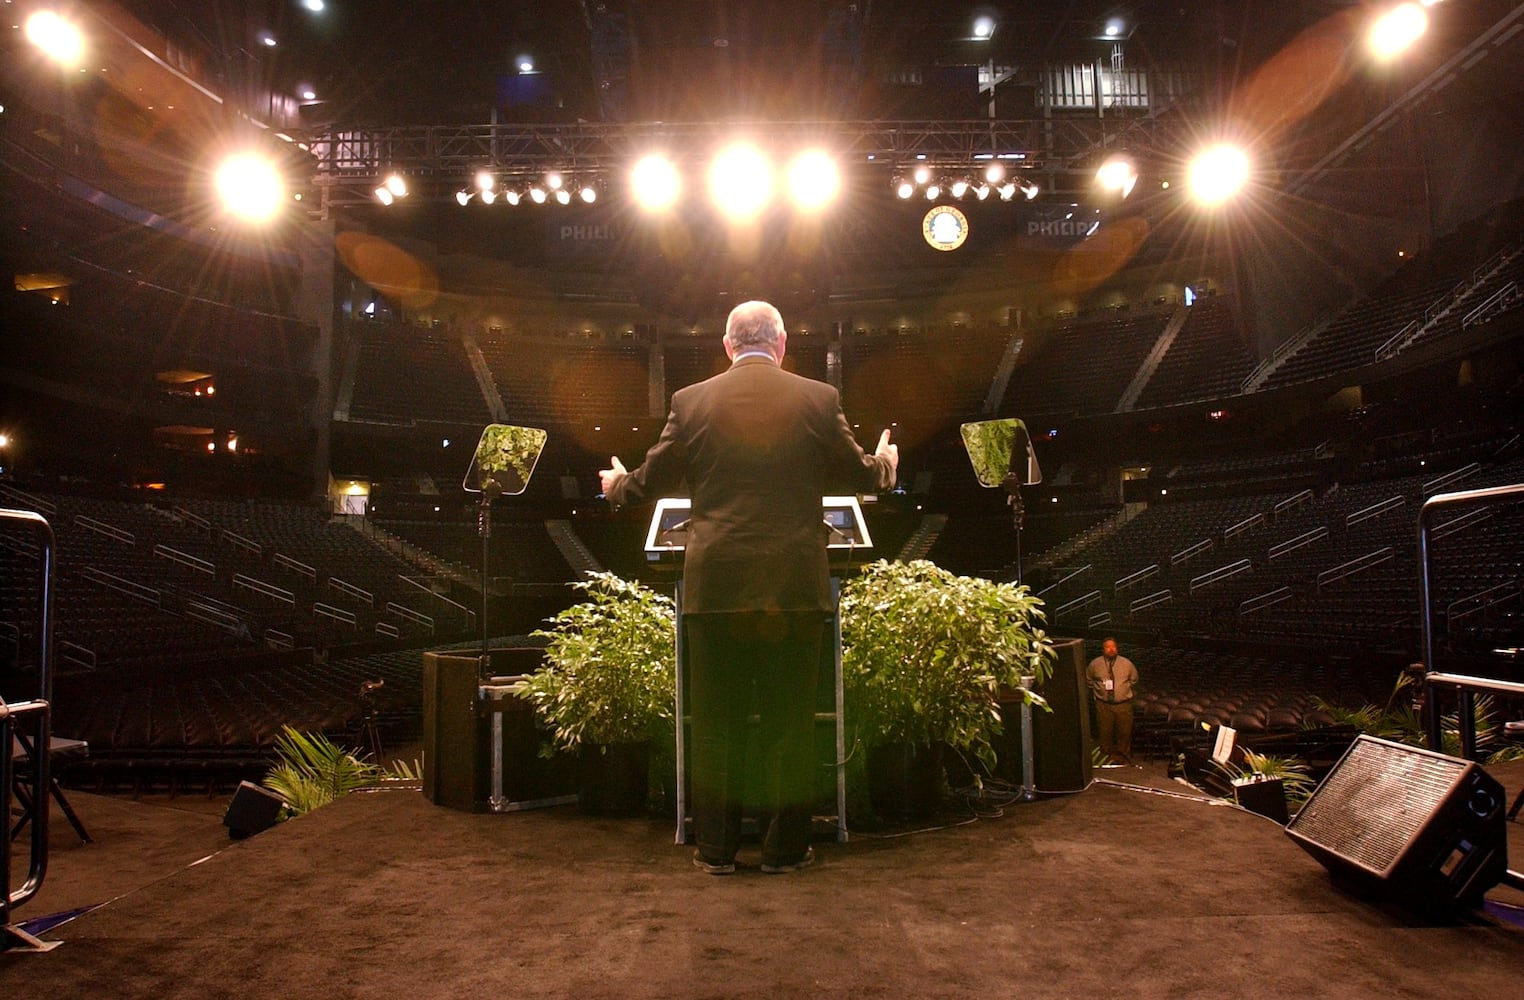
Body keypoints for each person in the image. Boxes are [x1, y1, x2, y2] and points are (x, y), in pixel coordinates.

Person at [600, 300, 898, 875]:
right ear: (782, 343)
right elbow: (865, 476)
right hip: (792, 589)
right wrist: (885, 462)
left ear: (728, 346)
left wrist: (616, 486)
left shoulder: (691, 402)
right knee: (789, 725)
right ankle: (785, 852)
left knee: (717, 724)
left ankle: (717, 852)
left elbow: (647, 482)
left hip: (716, 591)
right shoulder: (818, 398)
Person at [1086, 637, 1138, 765]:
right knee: (1105, 732)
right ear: (1103, 649)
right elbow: (1089, 681)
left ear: (1117, 648)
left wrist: (1122, 690)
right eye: (1108, 647)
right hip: (1103, 705)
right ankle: (1105, 759)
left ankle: (1122, 759)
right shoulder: (1095, 664)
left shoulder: (1127, 663)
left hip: (1123, 705)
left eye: (1113, 647)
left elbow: (1134, 680)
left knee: (1124, 732)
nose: (1111, 649)